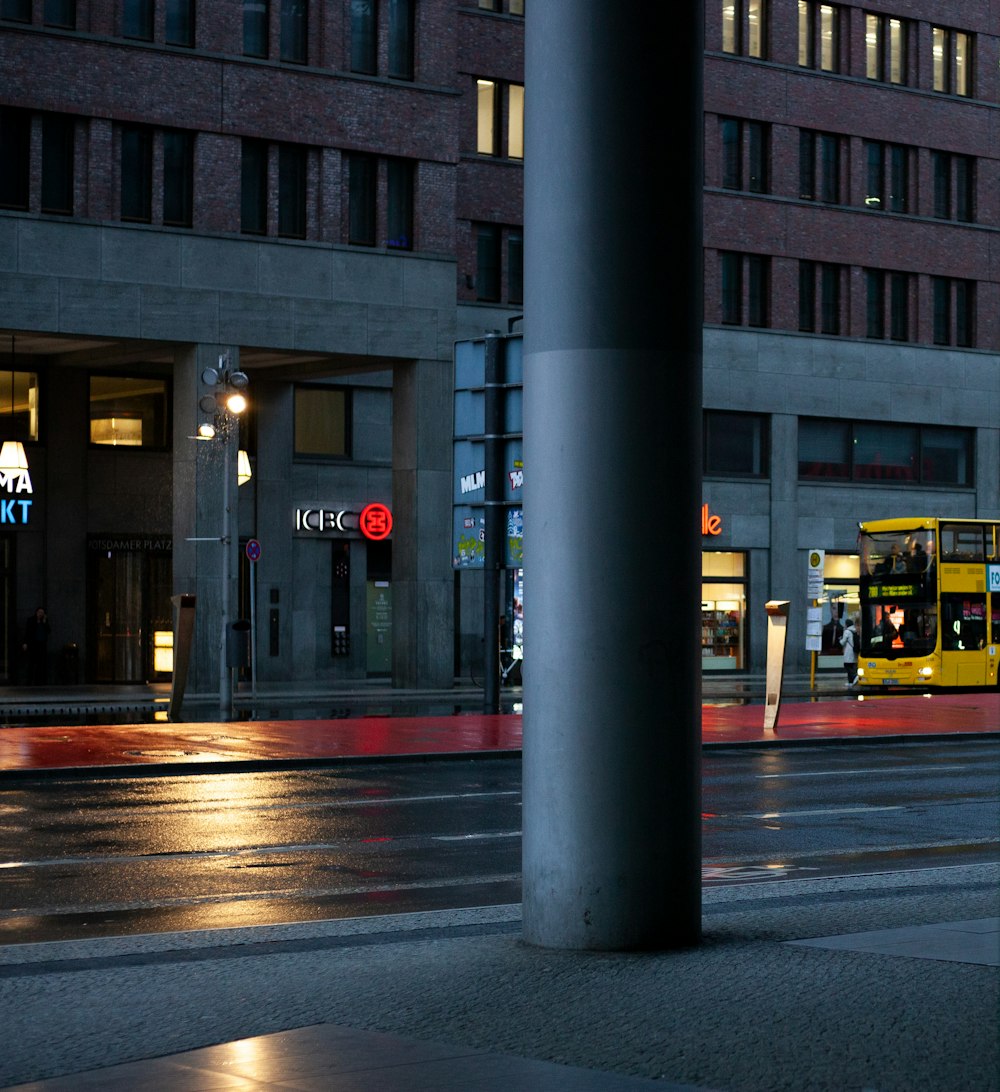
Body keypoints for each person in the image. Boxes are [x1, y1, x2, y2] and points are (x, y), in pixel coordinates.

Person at [23, 606, 50, 685]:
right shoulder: (31, 620)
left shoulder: (44, 621)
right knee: (31, 663)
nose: (40, 614)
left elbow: (48, 631)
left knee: (40, 663)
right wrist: (25, 642)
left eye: (42, 613)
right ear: (36, 612)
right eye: (39, 612)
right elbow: (27, 632)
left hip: (41, 644)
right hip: (33, 644)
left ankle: (38, 681)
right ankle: (29, 680)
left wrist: (44, 622)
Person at [839, 618, 858, 686]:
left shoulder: (847, 631)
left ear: (847, 624)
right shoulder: (855, 630)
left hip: (849, 651)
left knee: (847, 665)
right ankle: (850, 682)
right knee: (852, 665)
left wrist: (840, 640)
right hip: (854, 651)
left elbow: (843, 642)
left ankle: (855, 676)